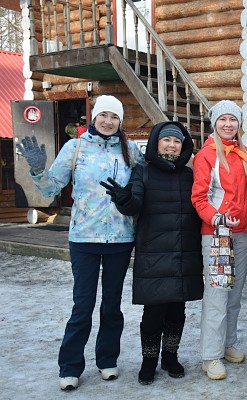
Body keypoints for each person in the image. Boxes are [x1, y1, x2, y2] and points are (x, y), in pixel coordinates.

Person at [16, 95, 145, 391]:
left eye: (114, 117)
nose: (108, 121)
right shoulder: (75, 148)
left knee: (112, 305)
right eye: (104, 115)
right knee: (83, 305)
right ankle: (70, 366)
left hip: (120, 239)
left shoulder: (131, 151)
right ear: (94, 117)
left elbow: (144, 185)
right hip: (84, 238)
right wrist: (38, 170)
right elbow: (50, 188)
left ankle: (107, 360)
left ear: (120, 121)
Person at [100, 121, 204, 384]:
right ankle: (149, 360)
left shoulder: (188, 175)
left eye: (177, 141)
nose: (172, 145)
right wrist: (124, 199)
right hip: (154, 251)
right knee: (154, 312)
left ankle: (170, 356)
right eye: (167, 140)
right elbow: (134, 205)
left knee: (177, 310)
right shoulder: (143, 171)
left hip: (184, 250)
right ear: (156, 142)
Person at [191, 100, 247, 380]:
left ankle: (228, 343)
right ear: (214, 123)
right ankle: (211, 355)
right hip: (217, 234)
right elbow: (199, 197)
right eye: (223, 119)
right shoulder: (206, 155)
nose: (228, 124)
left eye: (233, 119)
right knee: (217, 294)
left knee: (235, 295)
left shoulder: (246, 153)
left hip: (243, 233)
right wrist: (217, 218)